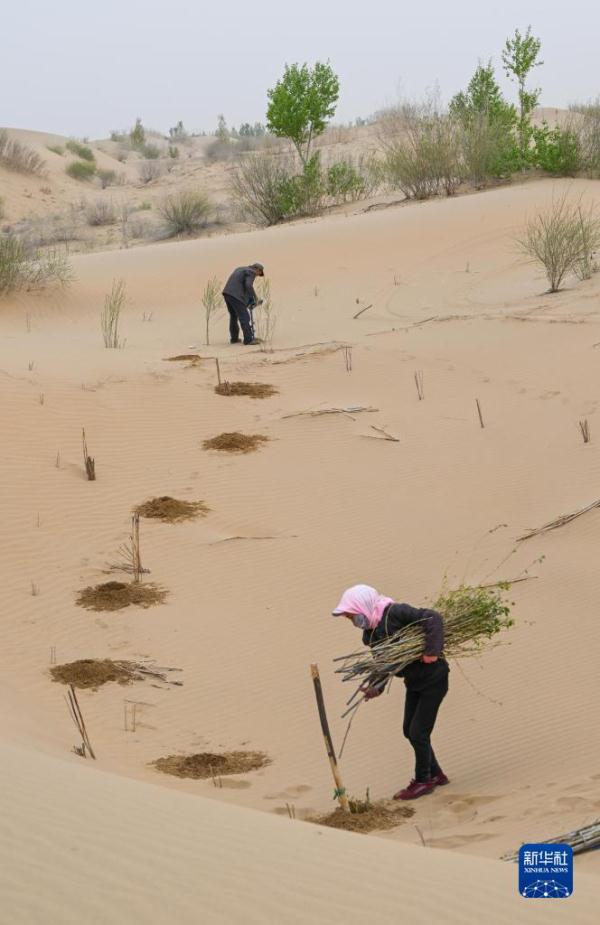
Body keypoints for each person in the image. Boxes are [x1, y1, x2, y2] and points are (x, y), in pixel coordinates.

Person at [332, 584, 450, 800]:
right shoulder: (370, 635)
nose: (353, 622)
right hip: (414, 682)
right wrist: (376, 688)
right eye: (350, 618)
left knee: (418, 733)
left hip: (434, 679)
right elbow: (385, 664)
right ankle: (437, 774)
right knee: (409, 730)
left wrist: (432, 651)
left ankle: (423, 780)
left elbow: (433, 618)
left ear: (363, 606)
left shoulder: (395, 612)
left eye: (352, 616)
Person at [222, 263, 264, 345]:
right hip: (235, 295)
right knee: (244, 317)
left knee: (233, 316)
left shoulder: (240, 269)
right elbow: (248, 285)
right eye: (259, 274)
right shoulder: (251, 272)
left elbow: (239, 284)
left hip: (227, 293)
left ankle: (234, 339)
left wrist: (248, 300)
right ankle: (248, 339)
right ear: (258, 270)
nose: (256, 276)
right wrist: (255, 298)